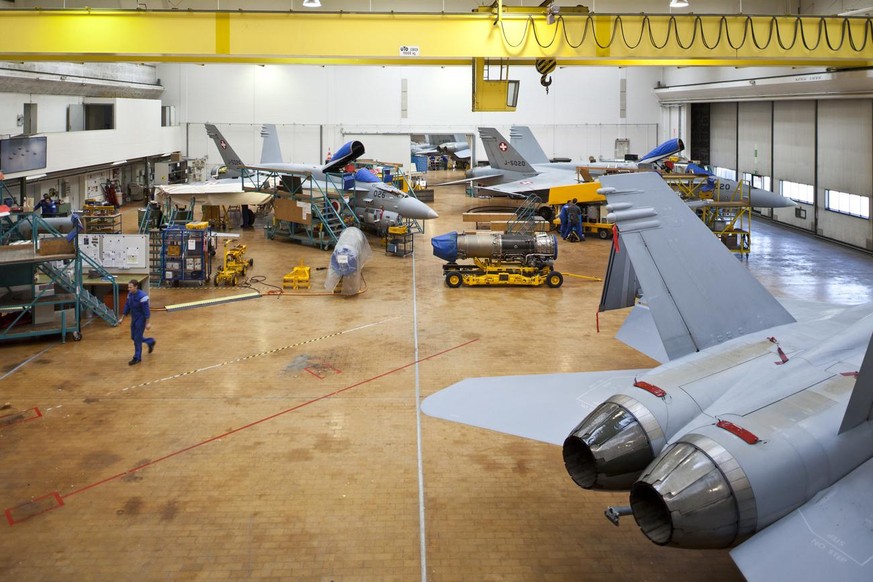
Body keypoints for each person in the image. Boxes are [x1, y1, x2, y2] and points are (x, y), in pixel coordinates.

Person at [118, 279, 155, 366]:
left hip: (141, 319)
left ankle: (137, 357)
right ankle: (150, 341)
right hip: (134, 318)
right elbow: (127, 306)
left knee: (137, 339)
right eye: (128, 287)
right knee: (133, 337)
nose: (128, 289)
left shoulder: (143, 297)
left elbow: (146, 311)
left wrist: (147, 323)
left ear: (136, 287)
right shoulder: (130, 295)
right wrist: (122, 318)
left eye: (130, 287)